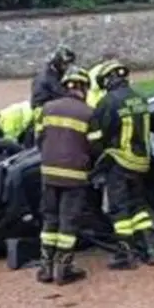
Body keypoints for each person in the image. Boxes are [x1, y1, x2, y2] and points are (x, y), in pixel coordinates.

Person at [89, 60, 154, 269]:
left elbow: (96, 137)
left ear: (109, 79)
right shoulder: (140, 98)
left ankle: (125, 255)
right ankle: (150, 250)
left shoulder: (108, 102)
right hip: (141, 162)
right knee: (139, 206)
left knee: (119, 210)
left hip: (120, 162)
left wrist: (98, 162)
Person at [36, 67, 95, 285]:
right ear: (84, 88)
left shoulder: (48, 108)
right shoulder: (89, 113)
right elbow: (94, 146)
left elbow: (39, 139)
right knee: (68, 224)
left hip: (49, 174)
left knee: (49, 220)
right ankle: (64, 269)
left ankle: (45, 269)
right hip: (74, 176)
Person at [27, 46, 77, 147]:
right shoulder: (49, 79)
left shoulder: (51, 74)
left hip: (45, 114)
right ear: (58, 62)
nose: (67, 67)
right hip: (44, 117)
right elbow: (62, 96)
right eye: (65, 64)